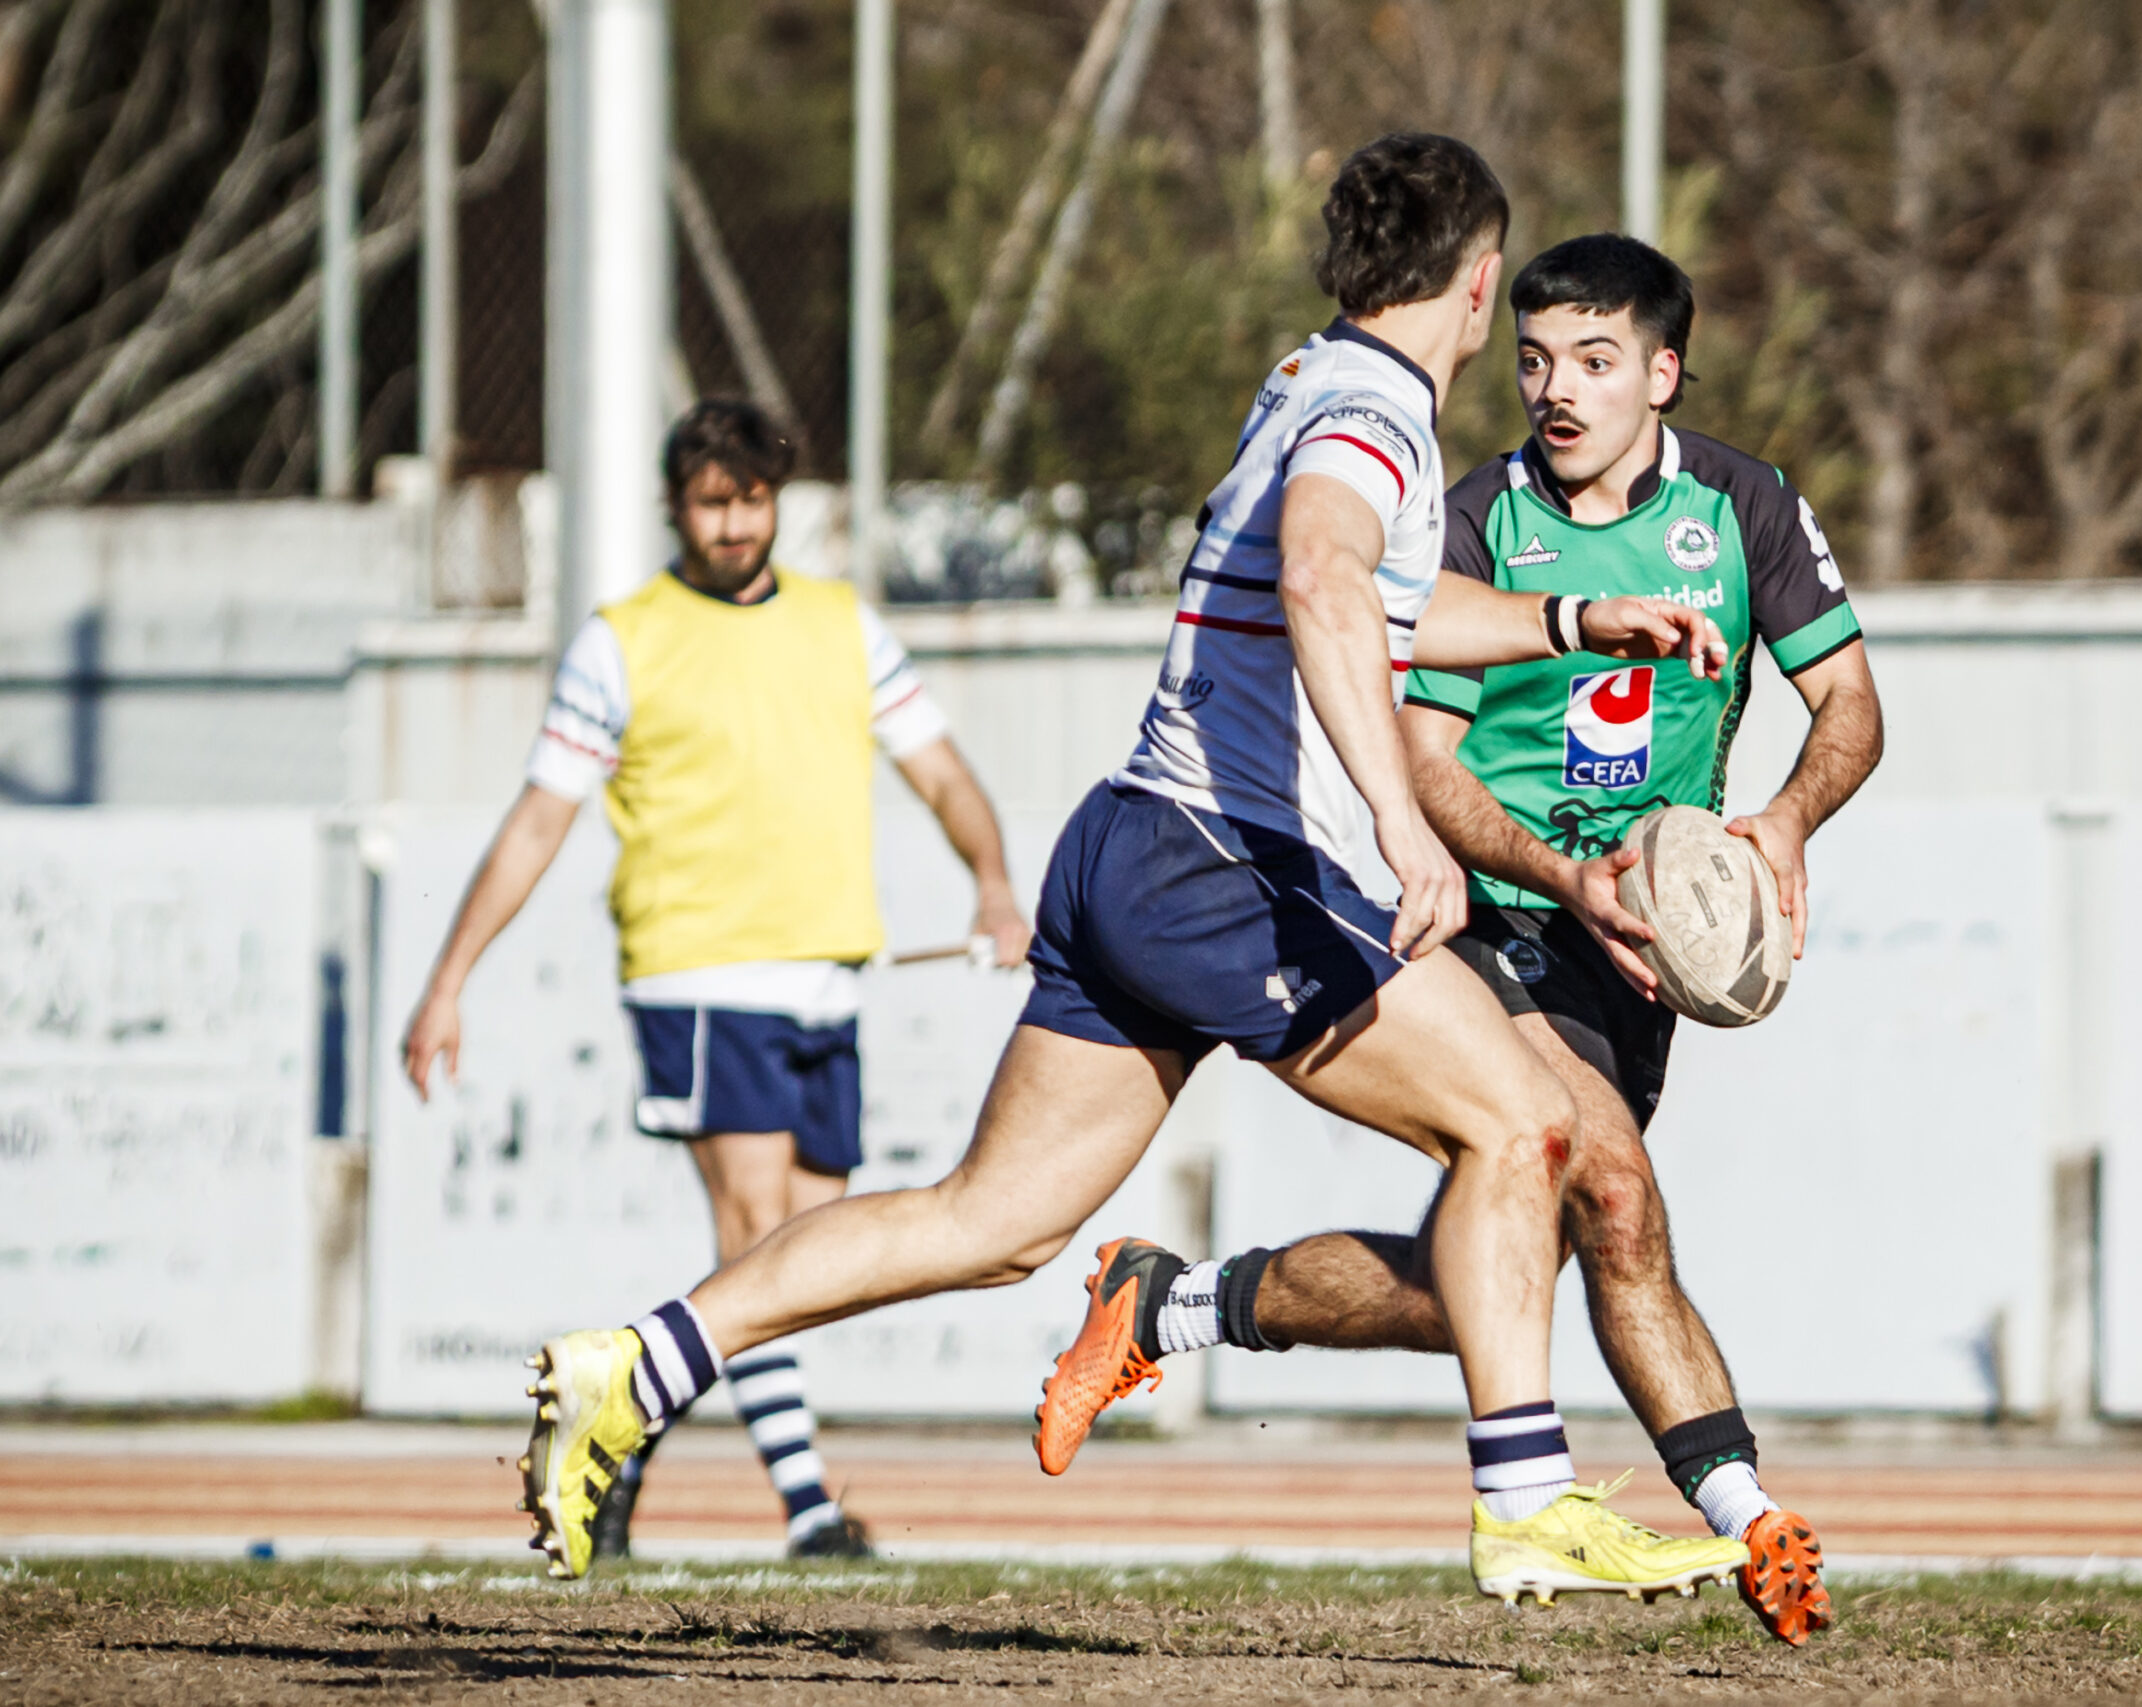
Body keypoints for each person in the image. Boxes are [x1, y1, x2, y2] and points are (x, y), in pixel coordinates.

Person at [516, 134, 1741, 1607]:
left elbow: (1389, 594)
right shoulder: (1380, 414)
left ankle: (639, 1360)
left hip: (1130, 840)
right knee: (1528, 1131)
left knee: (993, 1223)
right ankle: (1527, 1496)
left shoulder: (1310, 378)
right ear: (1481, 288)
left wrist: (1565, 619)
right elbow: (1326, 580)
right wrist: (1403, 825)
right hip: (1237, 861)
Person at [1035, 234, 1884, 1647]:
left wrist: (1784, 821)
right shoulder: (1471, 512)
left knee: (1473, 1287)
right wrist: (1562, 868)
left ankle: (1178, 1300)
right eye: (1539, 355)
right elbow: (1427, 761)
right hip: (1494, 920)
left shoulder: (1746, 506)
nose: (1558, 387)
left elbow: (1850, 704)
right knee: (1608, 1183)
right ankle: (1750, 1512)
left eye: (1598, 362)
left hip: (1634, 951)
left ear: (1662, 373)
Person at [405, 398, 1032, 1561]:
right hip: (697, 975)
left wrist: (993, 882)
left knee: (806, 1257)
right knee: (757, 1244)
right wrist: (450, 979)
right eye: (711, 500)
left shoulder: (842, 624)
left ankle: (618, 1428)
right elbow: (540, 823)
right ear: (673, 506)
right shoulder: (624, 637)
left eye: (751, 498)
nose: (734, 522)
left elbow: (943, 775)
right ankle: (809, 1512)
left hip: (829, 977)